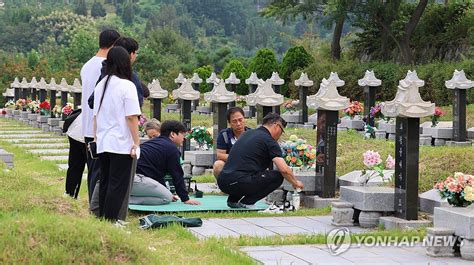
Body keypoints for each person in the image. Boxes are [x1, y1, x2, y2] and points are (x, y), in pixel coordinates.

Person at [93, 46, 141, 221]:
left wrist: (96, 137)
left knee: (105, 181)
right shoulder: (126, 85)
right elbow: (131, 117)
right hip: (121, 143)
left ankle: (104, 219)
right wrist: (136, 143)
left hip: (104, 141)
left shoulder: (102, 84)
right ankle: (111, 220)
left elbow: (95, 116)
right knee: (118, 184)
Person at [217, 113, 304, 209]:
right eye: (281, 131)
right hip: (238, 182)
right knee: (277, 177)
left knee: (249, 172)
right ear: (276, 126)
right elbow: (284, 170)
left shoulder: (247, 133)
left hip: (223, 181)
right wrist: (295, 183)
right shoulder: (269, 141)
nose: (280, 134)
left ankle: (233, 200)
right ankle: (247, 202)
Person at [81, 29, 120, 202]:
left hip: (88, 126)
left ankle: (93, 204)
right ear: (113, 45)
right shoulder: (106, 66)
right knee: (100, 173)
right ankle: (96, 207)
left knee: (93, 170)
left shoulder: (87, 64)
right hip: (100, 127)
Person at [131, 120, 201, 205]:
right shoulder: (172, 149)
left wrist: (164, 190)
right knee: (166, 198)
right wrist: (185, 199)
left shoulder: (154, 144)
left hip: (128, 177)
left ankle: (123, 197)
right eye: (182, 134)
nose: (184, 138)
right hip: (134, 179)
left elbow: (155, 175)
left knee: (168, 195)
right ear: (172, 134)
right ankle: (125, 201)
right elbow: (177, 175)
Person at [212, 107, 250, 178]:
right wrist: (238, 158)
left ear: (244, 119)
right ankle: (222, 184)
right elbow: (220, 155)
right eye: (234, 121)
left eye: (240, 120)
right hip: (230, 164)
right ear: (229, 123)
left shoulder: (252, 134)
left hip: (248, 164)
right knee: (218, 165)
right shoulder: (224, 134)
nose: (238, 124)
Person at [64, 112, 86, 199]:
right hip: (84, 132)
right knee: (95, 169)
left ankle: (70, 192)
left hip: (76, 128)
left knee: (75, 165)